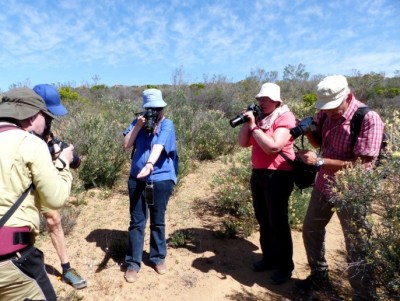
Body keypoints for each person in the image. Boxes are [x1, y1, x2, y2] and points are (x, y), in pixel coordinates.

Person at [295, 75, 384, 300]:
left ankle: (363, 296)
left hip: (352, 190)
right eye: (326, 108)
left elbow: (362, 164)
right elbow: (321, 144)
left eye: (333, 107)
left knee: (356, 246)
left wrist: (320, 162)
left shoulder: (368, 118)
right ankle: (319, 277)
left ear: (347, 96)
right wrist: (307, 132)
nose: (330, 112)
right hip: (324, 185)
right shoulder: (325, 113)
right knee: (311, 231)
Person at [0, 88, 74, 300]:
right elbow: (56, 198)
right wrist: (64, 163)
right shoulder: (30, 143)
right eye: (46, 116)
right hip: (13, 261)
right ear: (33, 116)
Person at [237, 83, 296, 284]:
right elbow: (243, 143)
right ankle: (269, 258)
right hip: (259, 173)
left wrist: (254, 126)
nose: (261, 102)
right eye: (260, 99)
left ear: (277, 101)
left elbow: (273, 147)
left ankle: (285, 266)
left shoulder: (285, 117)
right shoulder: (260, 118)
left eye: (266, 99)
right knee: (263, 218)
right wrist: (248, 122)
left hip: (278, 175)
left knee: (278, 221)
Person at [33, 84, 87, 289]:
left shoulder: (45, 125)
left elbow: (51, 143)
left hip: (41, 178)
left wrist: (63, 155)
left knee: (54, 219)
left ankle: (66, 268)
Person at [122, 88, 178, 283]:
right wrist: (137, 126)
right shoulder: (137, 122)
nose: (155, 113)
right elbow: (126, 144)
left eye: (158, 109)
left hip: (160, 178)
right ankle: (133, 263)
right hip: (137, 178)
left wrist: (149, 165)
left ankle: (157, 257)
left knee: (158, 218)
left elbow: (159, 146)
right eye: (151, 109)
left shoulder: (167, 124)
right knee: (137, 221)